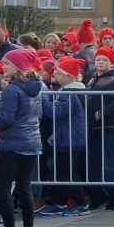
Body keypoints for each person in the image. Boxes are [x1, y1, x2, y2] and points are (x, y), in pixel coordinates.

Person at [0, 50, 42, 227]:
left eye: (8, 64)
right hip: (32, 142)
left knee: (3, 185)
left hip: (13, 143)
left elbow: (6, 120)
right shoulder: (35, 87)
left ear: (18, 67)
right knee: (24, 185)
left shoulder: (12, 89)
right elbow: (38, 115)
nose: (3, 67)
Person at [40, 57, 88, 216]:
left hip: (69, 139)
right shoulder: (72, 91)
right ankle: (59, 202)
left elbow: (57, 112)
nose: (56, 75)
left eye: (59, 73)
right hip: (66, 138)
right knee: (60, 172)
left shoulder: (70, 93)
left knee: (68, 173)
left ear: (69, 76)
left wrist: (44, 98)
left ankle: (81, 203)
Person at [84, 47, 114, 211]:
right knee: (93, 163)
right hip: (93, 128)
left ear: (111, 63)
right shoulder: (92, 80)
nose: (100, 62)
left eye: (104, 60)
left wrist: (101, 113)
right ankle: (98, 194)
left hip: (108, 127)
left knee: (109, 163)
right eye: (98, 59)